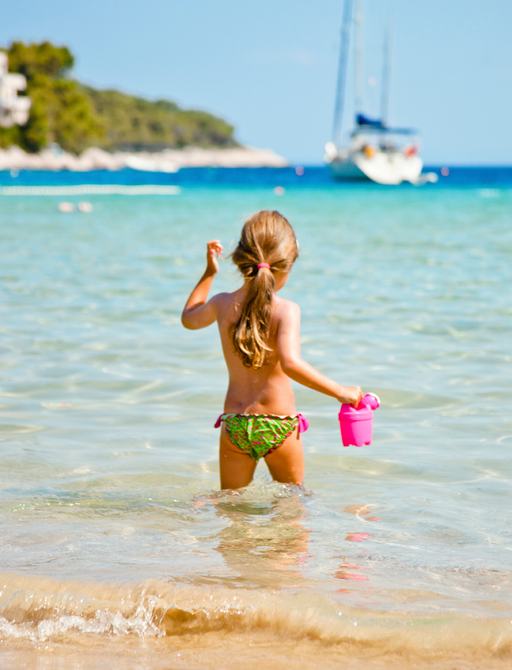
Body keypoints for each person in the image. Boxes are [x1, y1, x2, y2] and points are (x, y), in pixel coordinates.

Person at [181, 210, 363, 490]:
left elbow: (189, 319)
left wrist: (209, 273)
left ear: (243, 260)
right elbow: (291, 363)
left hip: (236, 425)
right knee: (293, 509)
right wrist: (342, 392)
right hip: (279, 425)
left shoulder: (221, 304)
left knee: (232, 510)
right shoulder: (287, 310)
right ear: (286, 266)